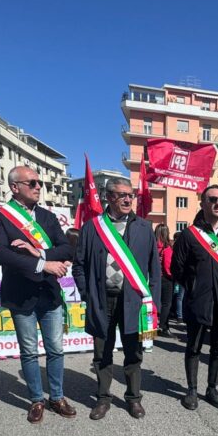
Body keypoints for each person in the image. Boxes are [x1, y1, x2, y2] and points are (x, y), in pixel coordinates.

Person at [0, 165, 76, 423]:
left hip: (49, 294)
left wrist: (38, 252)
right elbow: (1, 254)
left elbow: (65, 249)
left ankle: (57, 397)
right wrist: (43, 265)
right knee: (28, 351)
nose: (39, 187)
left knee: (55, 349)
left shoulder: (48, 217)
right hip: (20, 294)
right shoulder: (0, 217)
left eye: (41, 183)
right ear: (15, 187)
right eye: (33, 183)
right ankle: (37, 399)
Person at [73, 179, 160, 420]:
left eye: (130, 195)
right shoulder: (92, 227)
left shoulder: (144, 227)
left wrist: (155, 305)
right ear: (108, 197)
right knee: (102, 353)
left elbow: (155, 270)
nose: (127, 200)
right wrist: (87, 295)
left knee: (134, 353)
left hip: (134, 302)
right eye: (121, 195)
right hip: (102, 301)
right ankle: (103, 398)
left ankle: (134, 399)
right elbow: (78, 266)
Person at [170, 185, 218, 410]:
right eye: (212, 199)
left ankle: (212, 388)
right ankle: (191, 390)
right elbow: (177, 269)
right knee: (193, 348)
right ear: (203, 203)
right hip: (198, 302)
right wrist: (193, 287)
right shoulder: (189, 235)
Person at [155, 224, 175, 337]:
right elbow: (168, 266)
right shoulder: (166, 248)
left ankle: (160, 325)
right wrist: (173, 277)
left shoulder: (152, 246)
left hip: (155, 278)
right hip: (166, 279)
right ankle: (162, 326)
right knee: (166, 304)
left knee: (157, 303)